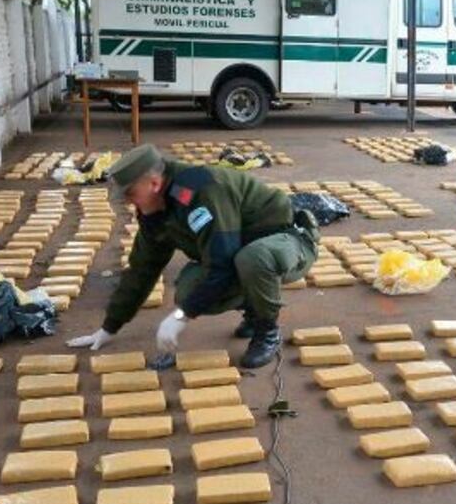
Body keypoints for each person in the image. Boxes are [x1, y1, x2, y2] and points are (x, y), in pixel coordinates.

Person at [67, 144, 319, 368]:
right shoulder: (154, 209)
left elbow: (222, 263)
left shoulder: (202, 191)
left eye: (130, 194)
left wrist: (180, 317)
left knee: (253, 259)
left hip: (289, 243)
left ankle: (267, 330)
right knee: (189, 290)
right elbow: (142, 268)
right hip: (240, 254)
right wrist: (110, 326)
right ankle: (254, 308)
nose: (127, 202)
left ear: (154, 183)